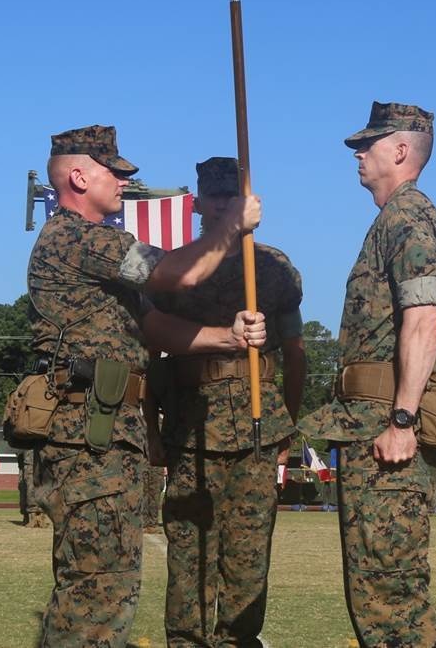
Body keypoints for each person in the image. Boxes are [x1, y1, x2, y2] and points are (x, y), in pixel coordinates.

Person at [28, 126, 266, 648]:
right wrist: (229, 228)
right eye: (112, 170)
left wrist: (226, 337)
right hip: (89, 435)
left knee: (108, 584)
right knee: (95, 590)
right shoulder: (75, 237)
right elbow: (174, 274)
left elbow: (153, 328)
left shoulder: (97, 255)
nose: (123, 180)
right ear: (78, 175)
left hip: (109, 432)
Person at [302, 100, 436, 648]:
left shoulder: (407, 217)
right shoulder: (397, 218)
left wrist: (402, 419)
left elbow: (423, 318)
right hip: (370, 424)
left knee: (388, 593)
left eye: (367, 144)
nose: (358, 153)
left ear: (399, 150)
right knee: (379, 586)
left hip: (385, 430)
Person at [150, 156, 306, 648]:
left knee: (249, 553)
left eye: (231, 196)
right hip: (192, 428)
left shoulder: (275, 269)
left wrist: (290, 428)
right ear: (198, 203)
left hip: (259, 428)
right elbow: (152, 354)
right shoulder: (177, 271)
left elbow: (296, 353)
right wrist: (152, 429)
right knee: (189, 552)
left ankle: (239, 641)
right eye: (214, 196)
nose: (222, 205)